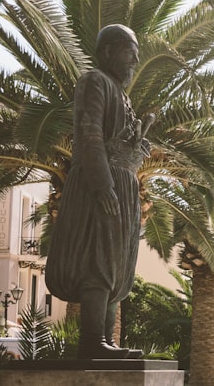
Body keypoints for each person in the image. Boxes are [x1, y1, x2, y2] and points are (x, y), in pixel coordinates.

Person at [46, 24, 148, 359]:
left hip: (122, 183)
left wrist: (135, 147)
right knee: (98, 261)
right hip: (100, 186)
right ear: (107, 52)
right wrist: (103, 185)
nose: (135, 57)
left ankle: (105, 340)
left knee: (115, 264)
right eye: (128, 50)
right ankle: (93, 342)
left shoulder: (121, 93)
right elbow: (88, 134)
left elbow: (112, 137)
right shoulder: (94, 82)